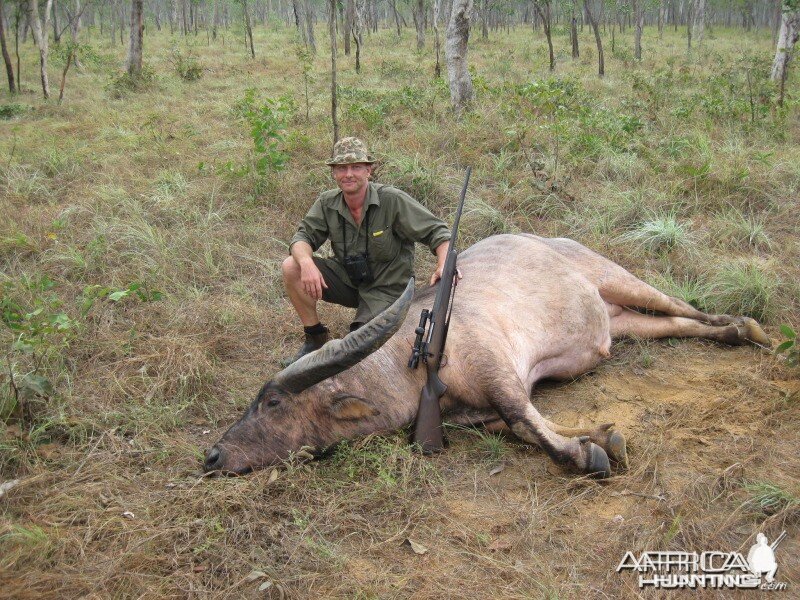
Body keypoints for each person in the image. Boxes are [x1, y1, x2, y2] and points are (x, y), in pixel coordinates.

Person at [282, 137, 452, 364]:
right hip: (349, 281)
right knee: (291, 266)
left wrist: (444, 265)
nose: (348, 174)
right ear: (334, 172)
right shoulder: (327, 202)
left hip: (387, 289)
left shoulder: (392, 200)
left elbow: (439, 233)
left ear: (368, 170)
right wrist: (306, 263)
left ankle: (364, 327)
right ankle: (315, 339)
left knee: (359, 350)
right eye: (342, 168)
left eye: (356, 167)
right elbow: (302, 237)